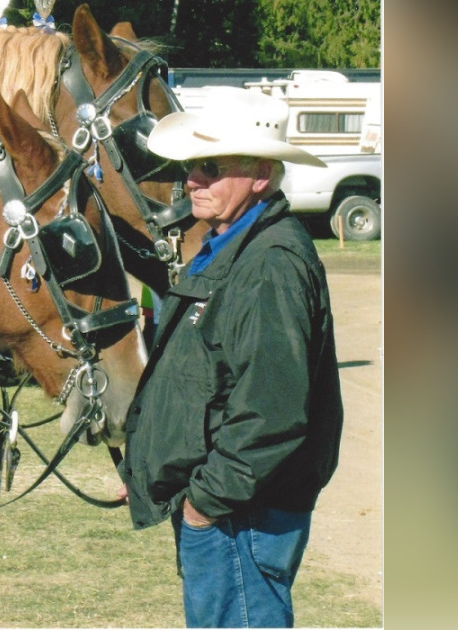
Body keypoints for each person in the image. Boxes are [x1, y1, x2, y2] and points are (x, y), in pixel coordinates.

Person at [117, 87, 344, 628]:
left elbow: (271, 412)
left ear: (261, 175)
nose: (193, 180)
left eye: (211, 167)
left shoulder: (270, 263)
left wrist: (204, 504)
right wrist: (157, 463)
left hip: (243, 513)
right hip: (233, 506)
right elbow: (205, 377)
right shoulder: (233, 244)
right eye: (192, 166)